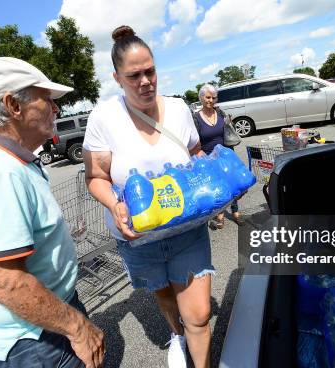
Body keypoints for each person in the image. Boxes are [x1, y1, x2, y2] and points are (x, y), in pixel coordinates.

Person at [0, 57, 105, 368]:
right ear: (13, 106)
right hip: (35, 340)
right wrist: (77, 328)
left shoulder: (9, 162)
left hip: (42, 325)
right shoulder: (0, 173)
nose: (56, 108)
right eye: (46, 99)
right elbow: (4, 282)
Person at [82, 26, 214, 368]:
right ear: (117, 77)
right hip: (140, 237)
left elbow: (195, 151)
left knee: (199, 314)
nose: (145, 82)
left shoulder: (178, 108)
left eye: (150, 71)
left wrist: (213, 182)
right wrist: (114, 203)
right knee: (165, 296)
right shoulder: (104, 118)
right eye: (134, 75)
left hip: (187, 230)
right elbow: (96, 176)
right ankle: (176, 334)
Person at [192, 83, 244, 229]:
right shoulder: (195, 118)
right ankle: (220, 214)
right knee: (218, 186)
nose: (211, 100)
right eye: (208, 97)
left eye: (214, 97)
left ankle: (235, 212)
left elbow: (227, 131)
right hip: (208, 158)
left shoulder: (220, 113)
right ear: (201, 97)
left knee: (232, 182)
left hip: (226, 154)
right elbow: (194, 142)